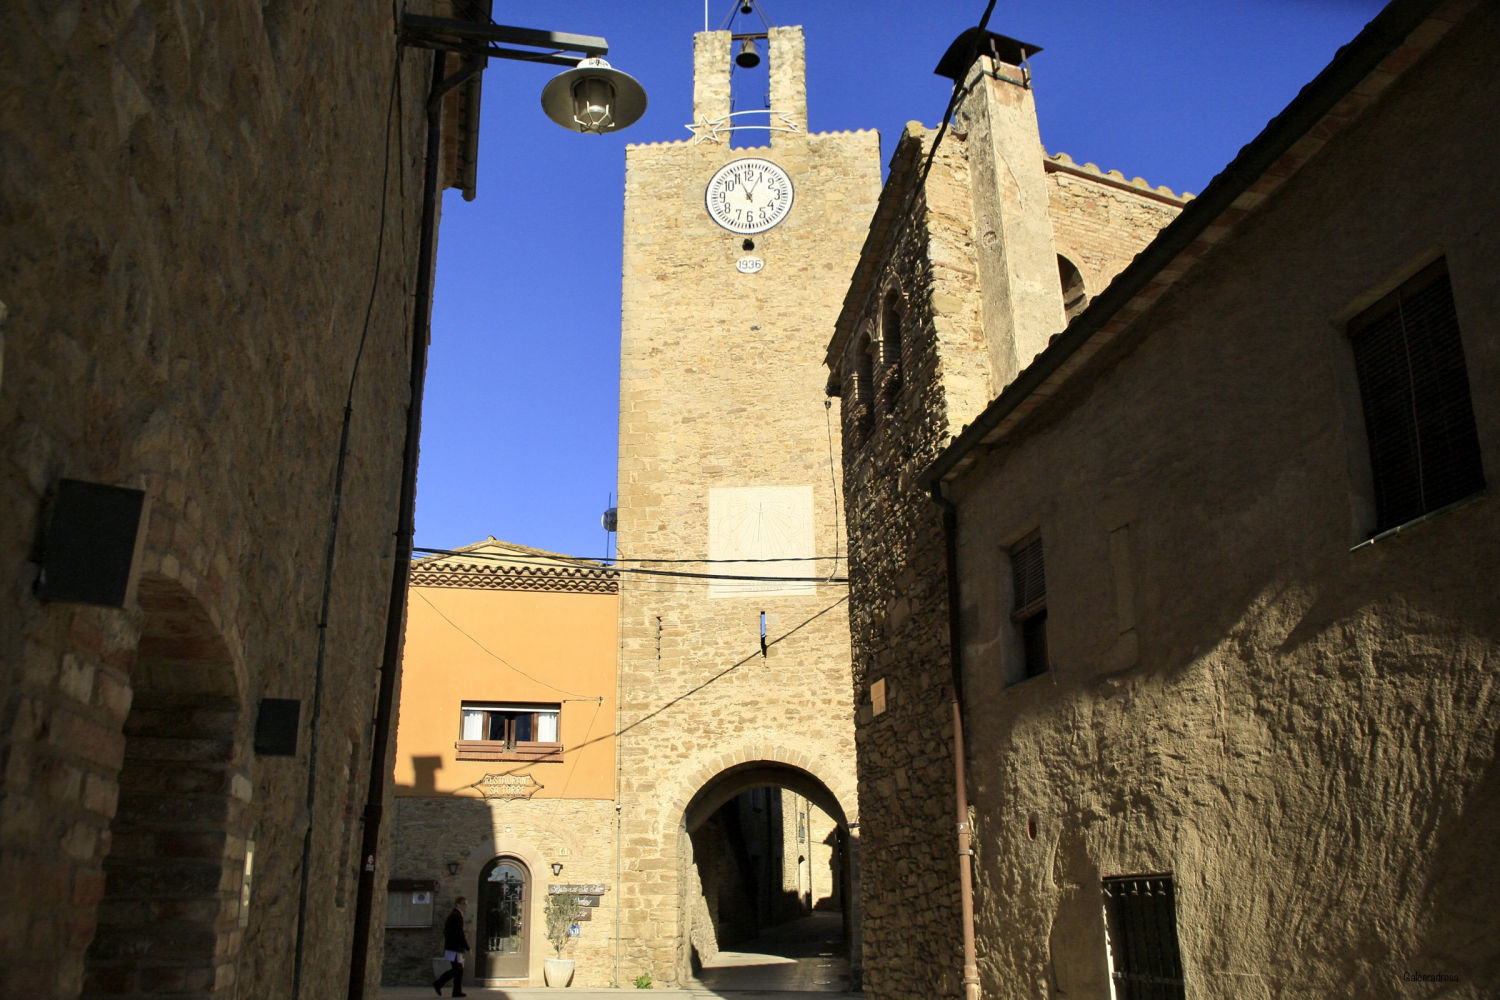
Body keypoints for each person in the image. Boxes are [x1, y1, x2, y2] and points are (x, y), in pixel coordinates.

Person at [433, 895, 470, 997]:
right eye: (464, 904)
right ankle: (439, 983)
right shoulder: (456, 916)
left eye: (466, 904)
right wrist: (467, 946)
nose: (465, 906)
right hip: (454, 947)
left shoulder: (455, 915)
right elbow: (459, 933)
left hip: (453, 946)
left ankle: (456, 991)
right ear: (458, 904)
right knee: (457, 969)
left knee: (458, 969)